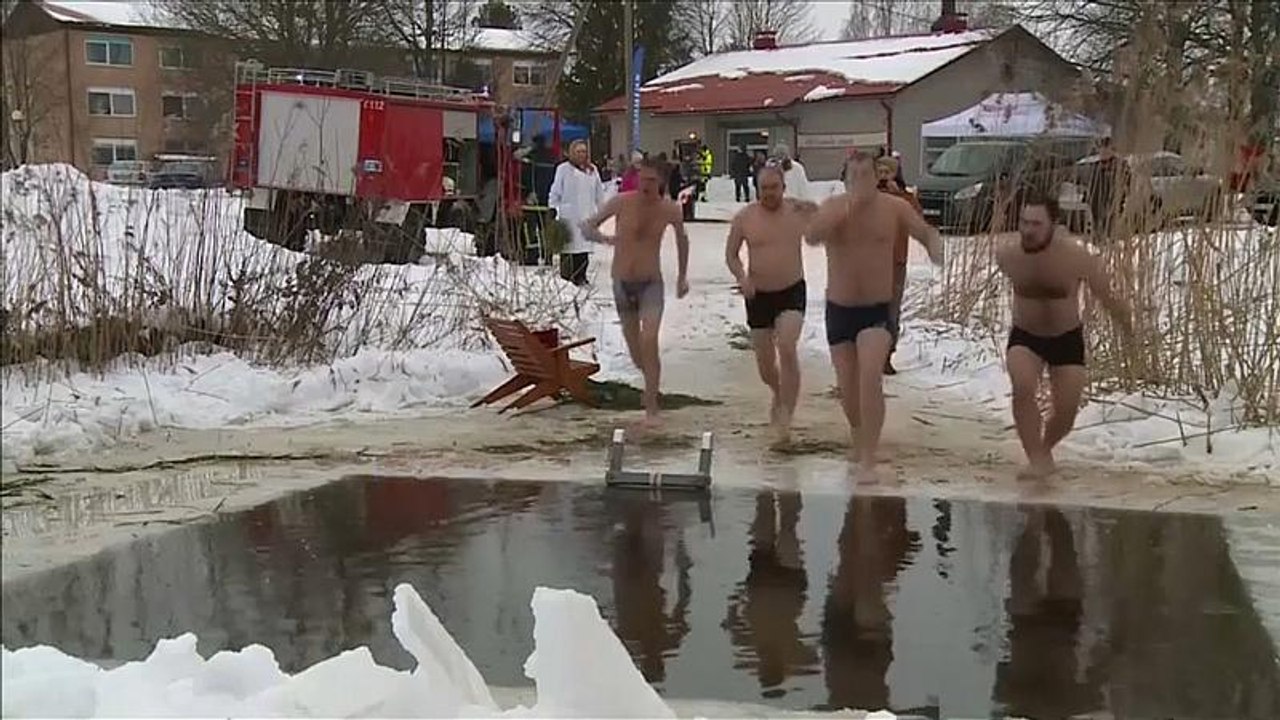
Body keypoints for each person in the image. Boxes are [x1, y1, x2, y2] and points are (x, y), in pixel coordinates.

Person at [807, 151, 943, 480]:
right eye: (852, 176)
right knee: (848, 387)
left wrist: (933, 245)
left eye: (865, 175)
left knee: (870, 375)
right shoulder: (833, 208)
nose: (859, 182)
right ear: (844, 179)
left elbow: (923, 230)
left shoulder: (893, 208)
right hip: (839, 309)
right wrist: (837, 215)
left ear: (876, 177)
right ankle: (858, 435)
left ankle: (869, 453)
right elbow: (811, 236)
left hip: (876, 309)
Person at [995, 191, 1133, 479]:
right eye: (1024, 222)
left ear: (1054, 225)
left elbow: (1105, 293)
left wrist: (1127, 325)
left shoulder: (1075, 256)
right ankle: (1035, 458)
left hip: (1066, 337)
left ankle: (1045, 449)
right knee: (1022, 387)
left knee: (1066, 413)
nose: (1028, 231)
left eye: (1036, 224)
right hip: (1026, 335)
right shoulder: (1008, 255)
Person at [581, 156, 691, 428]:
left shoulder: (669, 210)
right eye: (643, 178)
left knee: (649, 338)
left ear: (662, 182)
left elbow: (682, 240)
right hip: (622, 282)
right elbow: (587, 226)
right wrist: (606, 239)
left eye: (652, 180)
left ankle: (651, 404)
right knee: (635, 351)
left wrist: (682, 276)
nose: (646, 185)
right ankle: (651, 383)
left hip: (651, 282)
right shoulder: (622, 202)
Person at [725, 165, 818, 443]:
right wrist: (741, 277)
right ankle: (778, 391)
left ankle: (786, 416)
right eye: (764, 188)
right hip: (759, 295)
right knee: (766, 366)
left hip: (791, 290)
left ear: (783, 188)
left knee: (787, 346)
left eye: (774, 188)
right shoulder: (745, 217)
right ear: (757, 188)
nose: (769, 194)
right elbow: (731, 255)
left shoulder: (797, 211)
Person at [874, 156, 924, 375]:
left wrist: (898, 195)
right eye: (880, 171)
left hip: (896, 262)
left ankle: (887, 355)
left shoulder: (906, 198)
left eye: (888, 171)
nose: (883, 176)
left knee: (891, 312)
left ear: (896, 174)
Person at [547, 139, 606, 286]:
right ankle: (567, 277)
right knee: (569, 247)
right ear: (572, 152)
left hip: (587, 214)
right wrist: (553, 207)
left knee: (583, 248)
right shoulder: (563, 169)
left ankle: (581, 275)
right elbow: (555, 190)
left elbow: (599, 192)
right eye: (578, 151)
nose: (581, 154)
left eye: (584, 151)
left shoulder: (592, 170)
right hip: (568, 215)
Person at [1085, 137, 1129, 242]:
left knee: (1111, 230)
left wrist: (1123, 199)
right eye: (1101, 149)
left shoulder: (1120, 166)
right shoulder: (1095, 167)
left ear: (1111, 150)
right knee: (1099, 230)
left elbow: (1127, 184)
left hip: (1114, 204)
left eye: (1106, 148)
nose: (1103, 151)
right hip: (1097, 205)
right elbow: (1091, 185)